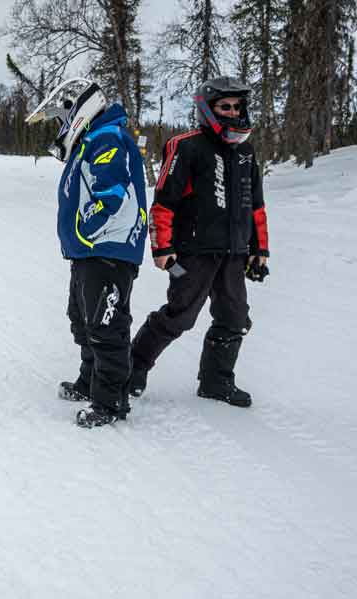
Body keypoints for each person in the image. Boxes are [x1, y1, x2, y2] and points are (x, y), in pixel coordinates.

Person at [128, 76, 270, 407]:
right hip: (193, 253)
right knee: (179, 316)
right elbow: (163, 202)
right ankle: (133, 367)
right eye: (225, 106)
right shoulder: (186, 146)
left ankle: (216, 381)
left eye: (237, 106)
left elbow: (256, 206)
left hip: (234, 253)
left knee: (235, 318)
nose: (233, 112)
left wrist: (259, 250)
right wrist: (162, 247)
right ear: (208, 109)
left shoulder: (245, 151)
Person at [26, 79, 148, 427]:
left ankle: (110, 402)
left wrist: (84, 228)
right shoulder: (92, 141)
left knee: (106, 326)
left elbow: (110, 194)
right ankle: (88, 381)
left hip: (109, 248)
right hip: (89, 252)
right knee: (82, 320)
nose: (59, 128)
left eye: (60, 119)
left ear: (77, 111)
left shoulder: (106, 138)